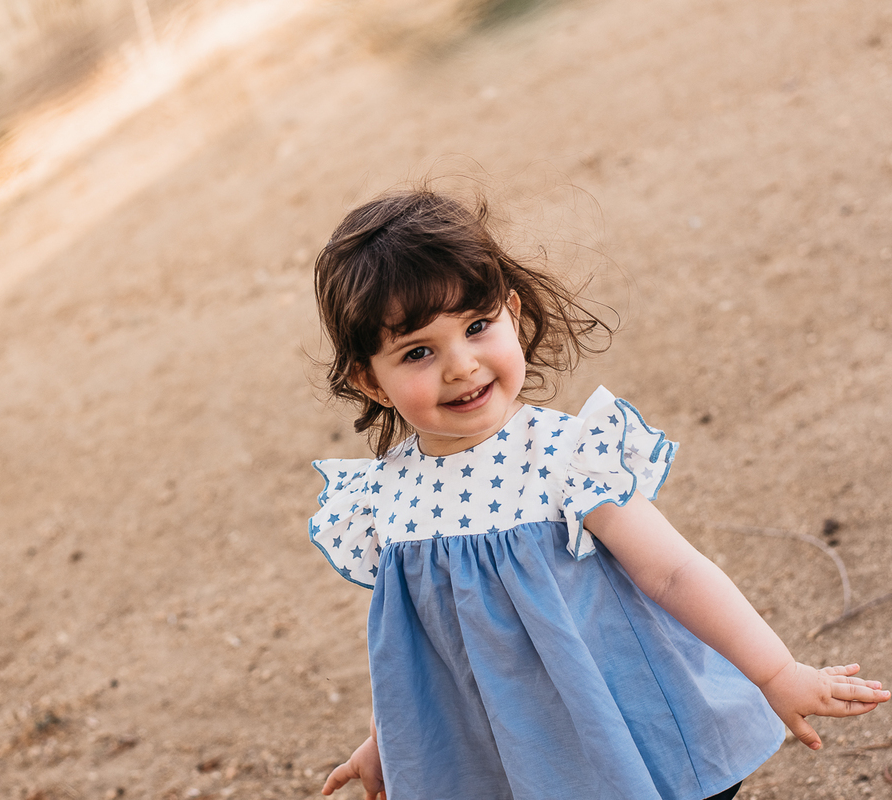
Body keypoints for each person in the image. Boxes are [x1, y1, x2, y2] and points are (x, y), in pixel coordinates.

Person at [307, 187, 888, 800]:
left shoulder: (566, 455)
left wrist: (775, 672)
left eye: (477, 327)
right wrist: (389, 740)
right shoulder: (385, 499)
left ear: (512, 314)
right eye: (419, 352)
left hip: (626, 721)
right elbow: (414, 646)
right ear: (371, 380)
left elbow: (674, 572)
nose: (461, 366)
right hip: (512, 758)